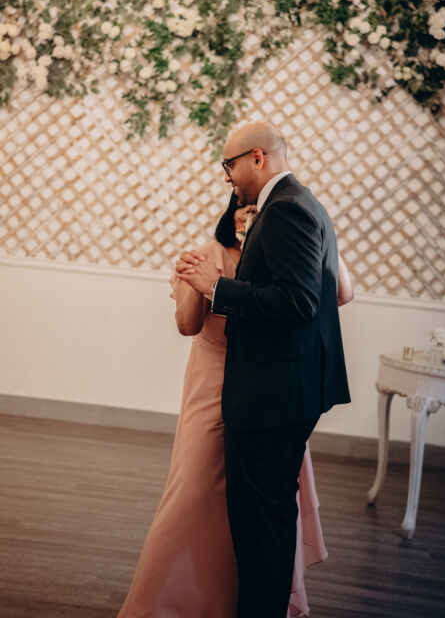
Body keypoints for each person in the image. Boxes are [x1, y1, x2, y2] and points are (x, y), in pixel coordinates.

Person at [117, 193, 352, 618]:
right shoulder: (210, 255)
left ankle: (235, 603)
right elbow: (187, 325)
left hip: (267, 391)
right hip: (212, 388)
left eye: (261, 211)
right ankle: (167, 603)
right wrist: (197, 283)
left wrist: (320, 243)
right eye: (246, 208)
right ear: (234, 214)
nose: (252, 216)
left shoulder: (284, 259)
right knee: (192, 493)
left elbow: (340, 292)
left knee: (258, 507)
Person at [176, 121, 351, 618]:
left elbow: (298, 301)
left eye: (228, 165)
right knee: (269, 523)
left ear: (257, 157)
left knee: (260, 531)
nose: (226, 177)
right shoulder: (303, 203)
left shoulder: (286, 210)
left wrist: (217, 288)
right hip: (288, 390)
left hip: (271, 396)